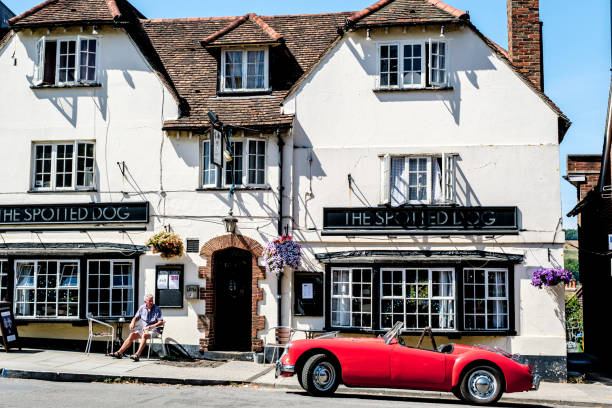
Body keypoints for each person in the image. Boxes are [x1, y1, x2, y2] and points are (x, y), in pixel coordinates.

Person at [111, 294, 163, 361]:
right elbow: (136, 317)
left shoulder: (157, 309)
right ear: (145, 301)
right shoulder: (142, 308)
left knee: (144, 335)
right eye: (149, 301)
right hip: (144, 329)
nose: (151, 302)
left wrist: (149, 327)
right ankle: (119, 353)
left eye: (152, 301)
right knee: (132, 335)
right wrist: (132, 323)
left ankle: (137, 355)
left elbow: (161, 322)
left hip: (154, 330)